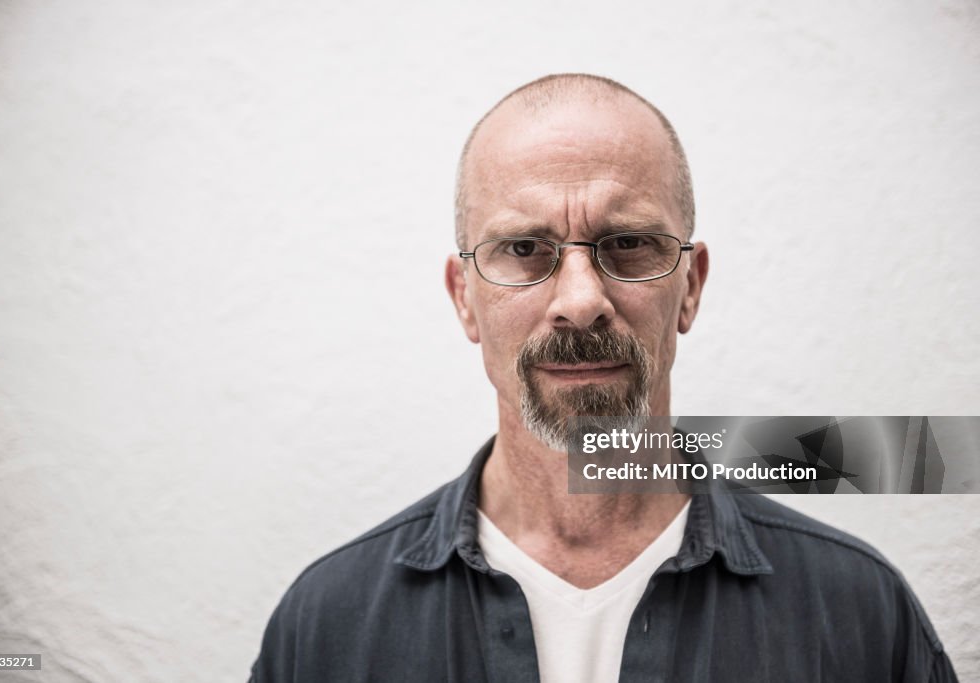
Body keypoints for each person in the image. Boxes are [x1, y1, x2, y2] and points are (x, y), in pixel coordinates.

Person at [249, 74, 957, 682]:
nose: (580, 299)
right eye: (525, 249)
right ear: (464, 295)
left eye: (628, 244)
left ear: (690, 286)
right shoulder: (325, 628)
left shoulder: (860, 614)